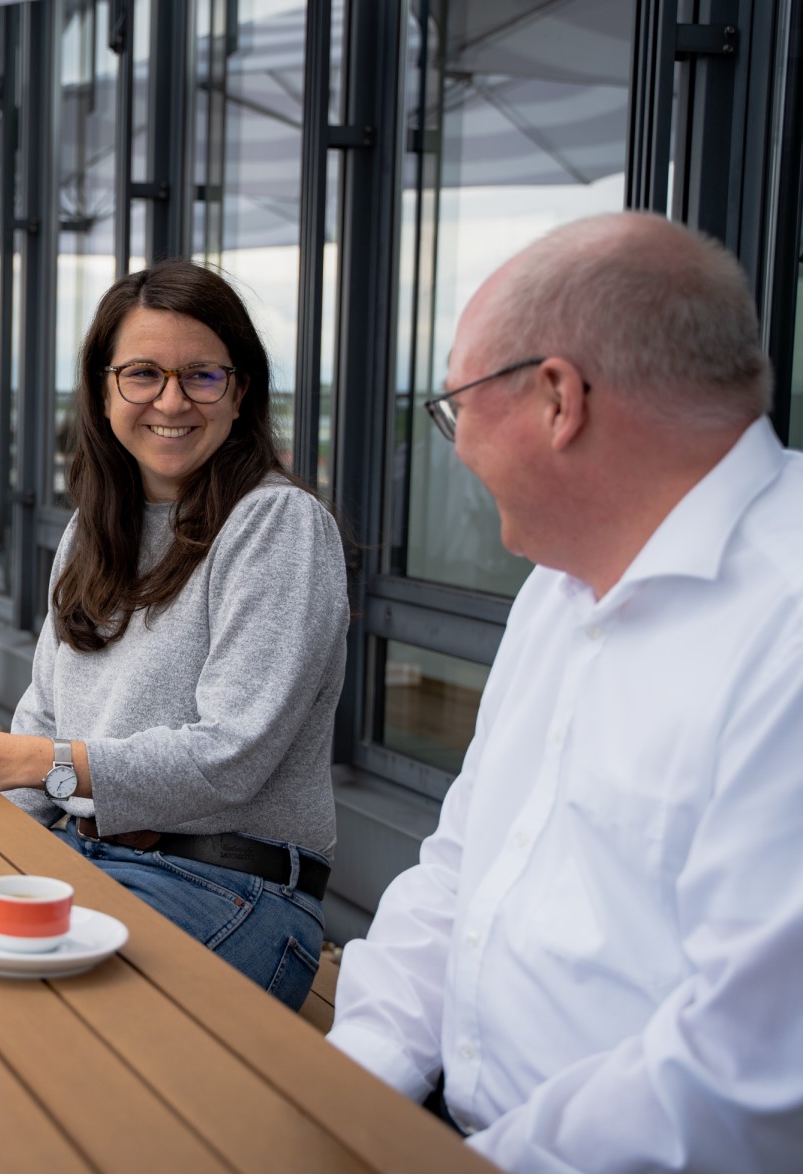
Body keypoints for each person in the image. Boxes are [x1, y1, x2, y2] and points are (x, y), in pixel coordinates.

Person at [326, 212, 803, 1171]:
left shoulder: (785, 626)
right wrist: (344, 1093)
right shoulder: (561, 582)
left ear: (557, 398)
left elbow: (749, 1079)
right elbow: (462, 867)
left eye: (456, 405)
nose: (454, 448)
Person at [0, 259, 349, 1010]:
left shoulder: (278, 525)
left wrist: (30, 762)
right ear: (105, 393)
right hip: (85, 858)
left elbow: (232, 755)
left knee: (8, 1017)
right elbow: (44, 715)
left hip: (229, 888)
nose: (171, 400)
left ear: (241, 393)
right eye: (143, 374)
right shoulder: (92, 532)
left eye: (202, 376)